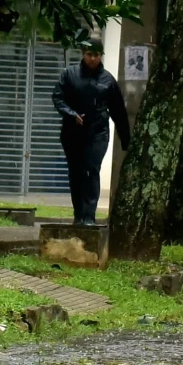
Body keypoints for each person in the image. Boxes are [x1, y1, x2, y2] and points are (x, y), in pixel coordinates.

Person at [49, 39, 130, 226]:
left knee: (92, 170)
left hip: (98, 132)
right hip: (72, 132)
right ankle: (78, 214)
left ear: (101, 55)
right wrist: (71, 114)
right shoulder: (69, 75)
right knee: (76, 172)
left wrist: (126, 140)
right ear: (83, 54)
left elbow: (119, 111)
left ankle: (89, 216)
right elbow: (58, 98)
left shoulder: (108, 80)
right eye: (89, 54)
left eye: (96, 55)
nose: (92, 59)